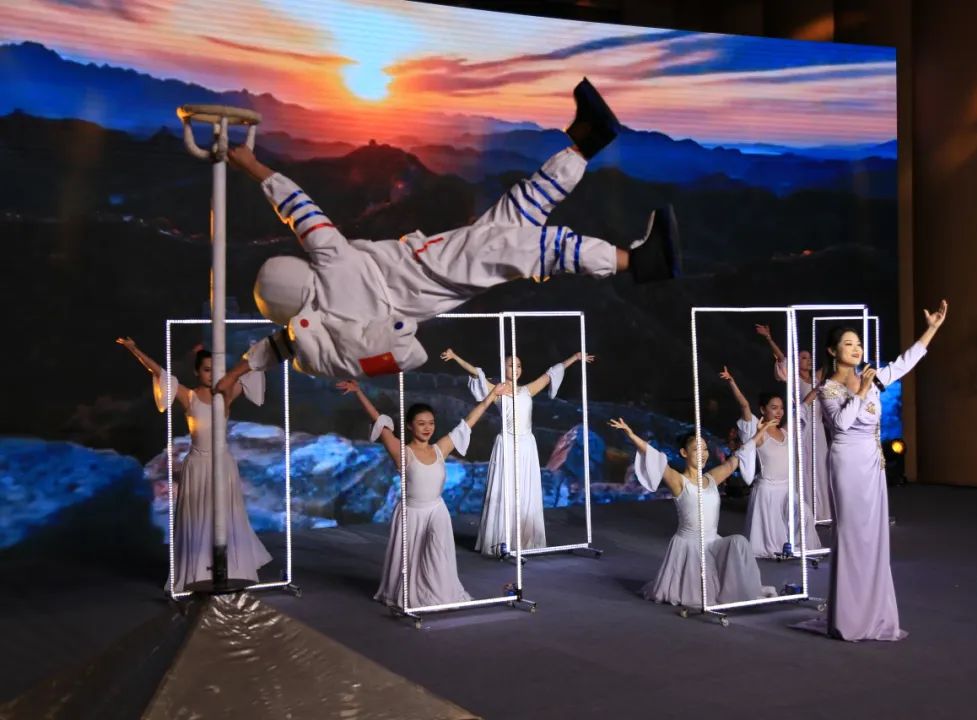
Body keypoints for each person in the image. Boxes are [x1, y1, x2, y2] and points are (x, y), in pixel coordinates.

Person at [215, 79, 680, 395]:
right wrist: (253, 166)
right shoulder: (330, 266)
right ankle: (636, 261)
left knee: (519, 216)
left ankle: (587, 142)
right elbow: (300, 211)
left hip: (438, 286)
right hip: (433, 265)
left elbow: (274, 349)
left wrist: (236, 373)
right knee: (527, 246)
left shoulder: (318, 326)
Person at [794, 299, 948, 641]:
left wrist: (932, 329)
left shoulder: (873, 377)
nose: (856, 349)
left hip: (871, 463)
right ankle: (848, 618)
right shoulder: (827, 388)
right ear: (833, 351)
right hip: (846, 462)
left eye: (859, 344)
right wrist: (862, 391)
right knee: (851, 535)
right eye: (849, 344)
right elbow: (842, 423)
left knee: (873, 537)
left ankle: (873, 612)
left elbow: (904, 363)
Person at [337, 378, 509, 608]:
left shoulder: (440, 449)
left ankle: (439, 591)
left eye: (431, 423)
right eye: (421, 424)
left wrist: (491, 396)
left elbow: (467, 423)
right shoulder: (402, 452)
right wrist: (359, 392)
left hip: (437, 511)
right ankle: (412, 591)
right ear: (410, 426)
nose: (427, 428)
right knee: (412, 558)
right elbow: (379, 421)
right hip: (412, 512)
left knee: (438, 555)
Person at [116, 337, 271, 591]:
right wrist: (135, 350)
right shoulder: (189, 396)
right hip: (198, 465)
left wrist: (257, 350)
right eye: (207, 370)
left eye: (216, 370)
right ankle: (198, 570)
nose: (212, 375)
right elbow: (159, 372)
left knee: (226, 516)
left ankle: (232, 568)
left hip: (223, 464)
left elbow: (251, 370)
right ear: (198, 371)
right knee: (198, 519)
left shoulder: (226, 394)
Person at [608, 417, 777, 607]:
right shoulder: (679, 481)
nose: (703, 454)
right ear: (684, 453)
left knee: (740, 542)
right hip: (690, 547)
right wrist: (631, 435)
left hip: (713, 543)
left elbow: (737, 458)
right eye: (697, 449)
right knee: (699, 595)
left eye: (705, 449)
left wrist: (759, 433)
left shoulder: (711, 478)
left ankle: (746, 590)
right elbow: (654, 457)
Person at [440, 348, 593, 556]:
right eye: (512, 365)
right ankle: (502, 538)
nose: (516, 369)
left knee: (525, 489)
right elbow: (477, 373)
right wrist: (455, 357)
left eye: (519, 365)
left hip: (527, 445)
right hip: (507, 443)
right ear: (503, 368)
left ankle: (524, 539)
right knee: (507, 488)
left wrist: (575, 358)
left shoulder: (527, 390)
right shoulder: (497, 390)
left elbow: (550, 374)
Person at [721, 367, 821, 558]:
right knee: (773, 533)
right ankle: (779, 549)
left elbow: (804, 405)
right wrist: (731, 382)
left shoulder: (785, 431)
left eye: (781, 408)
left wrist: (819, 388)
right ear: (763, 410)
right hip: (768, 489)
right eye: (774, 408)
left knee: (805, 514)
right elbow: (744, 406)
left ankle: (795, 546)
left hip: (787, 488)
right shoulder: (758, 433)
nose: (779, 412)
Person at [755, 323, 832, 522]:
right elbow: (781, 358)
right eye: (803, 357)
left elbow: (830, 364)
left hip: (818, 430)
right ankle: (805, 511)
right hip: (803, 428)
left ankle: (822, 511)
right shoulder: (795, 380)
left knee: (820, 468)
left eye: (809, 357)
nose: (808, 360)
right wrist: (769, 338)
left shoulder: (817, 379)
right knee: (804, 468)